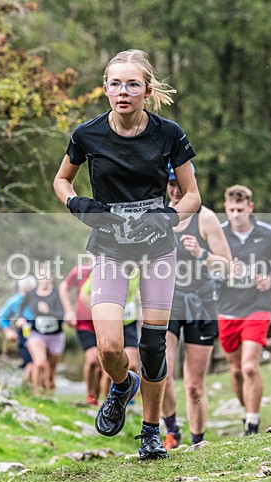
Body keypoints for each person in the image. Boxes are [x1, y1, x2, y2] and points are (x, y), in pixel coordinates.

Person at [53, 49, 201, 460]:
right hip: (110, 246)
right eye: (115, 83)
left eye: (132, 84)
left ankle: (151, 431)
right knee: (111, 348)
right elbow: (62, 180)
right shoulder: (88, 134)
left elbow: (192, 196)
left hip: (156, 246)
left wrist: (166, 218)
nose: (123, 91)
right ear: (105, 89)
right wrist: (78, 205)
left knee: (153, 346)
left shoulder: (168, 134)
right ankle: (122, 386)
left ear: (146, 90)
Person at [160, 164, 231, 449]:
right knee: (161, 372)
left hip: (201, 302)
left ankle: (197, 441)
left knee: (194, 384)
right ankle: (171, 431)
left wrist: (201, 253)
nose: (175, 190)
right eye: (170, 184)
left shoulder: (206, 219)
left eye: (179, 183)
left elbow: (228, 265)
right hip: (166, 302)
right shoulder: (160, 217)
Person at [219, 185, 271, 435]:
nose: (236, 214)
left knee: (250, 366)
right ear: (225, 208)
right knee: (237, 369)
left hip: (258, 305)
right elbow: (204, 265)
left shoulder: (267, 234)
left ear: (250, 208)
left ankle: (252, 423)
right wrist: (224, 272)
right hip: (227, 308)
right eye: (231, 209)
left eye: (240, 209)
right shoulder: (218, 234)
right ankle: (245, 410)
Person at [78, 269, 142, 402]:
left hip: (129, 322)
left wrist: (142, 311)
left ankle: (126, 400)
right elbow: (84, 294)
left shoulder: (136, 270)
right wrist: (99, 314)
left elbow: (139, 292)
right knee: (110, 369)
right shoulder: (105, 268)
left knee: (132, 365)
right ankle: (109, 402)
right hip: (111, 322)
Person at [16, 268, 66, 396]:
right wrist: (20, 318)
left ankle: (49, 391)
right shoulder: (31, 294)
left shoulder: (57, 294)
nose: (45, 279)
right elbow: (21, 308)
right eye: (42, 276)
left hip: (56, 335)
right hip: (37, 334)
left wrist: (48, 311)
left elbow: (62, 314)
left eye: (47, 276)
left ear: (51, 278)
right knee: (39, 362)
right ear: (37, 278)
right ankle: (36, 393)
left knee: (51, 369)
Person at [59, 263, 100, 405]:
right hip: (84, 322)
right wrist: (69, 310)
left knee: (103, 363)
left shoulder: (110, 271)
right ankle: (90, 396)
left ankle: (98, 398)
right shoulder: (79, 271)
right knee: (92, 359)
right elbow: (64, 287)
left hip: (105, 322)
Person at [0, 276, 37, 383]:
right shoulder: (14, 301)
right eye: (24, 291)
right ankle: (31, 390)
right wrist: (8, 330)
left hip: (42, 333)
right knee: (30, 363)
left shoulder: (41, 299)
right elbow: (2, 317)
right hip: (25, 333)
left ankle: (44, 390)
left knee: (42, 363)